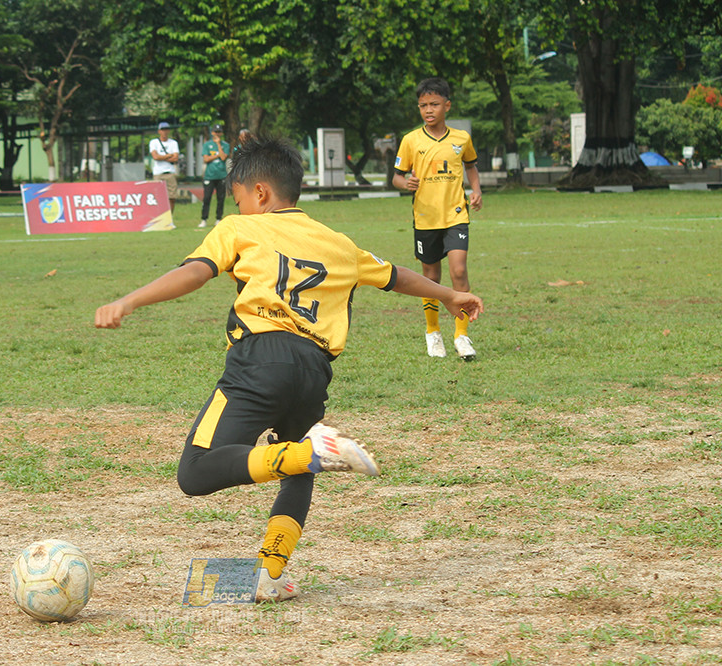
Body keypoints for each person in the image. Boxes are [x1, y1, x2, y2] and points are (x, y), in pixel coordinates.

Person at [95, 136, 483, 603]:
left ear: (258, 194)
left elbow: (197, 271)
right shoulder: (338, 242)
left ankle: (310, 452)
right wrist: (450, 295)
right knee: (298, 471)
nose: (236, 206)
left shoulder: (240, 226)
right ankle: (269, 574)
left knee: (196, 473)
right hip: (314, 371)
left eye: (237, 197)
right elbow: (396, 274)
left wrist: (129, 300)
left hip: (260, 361)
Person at [392, 77, 483, 361]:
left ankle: (462, 335)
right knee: (431, 277)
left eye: (434, 104)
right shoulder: (411, 140)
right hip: (425, 219)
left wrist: (476, 190)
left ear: (447, 105)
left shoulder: (461, 139)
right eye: (423, 106)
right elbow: (396, 176)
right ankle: (433, 333)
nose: (428, 110)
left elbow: (472, 167)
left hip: (455, 214)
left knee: (458, 271)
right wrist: (404, 183)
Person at [199, 123, 229, 228]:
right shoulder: (207, 145)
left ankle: (218, 218)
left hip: (221, 175)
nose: (217, 134)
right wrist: (217, 155)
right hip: (209, 175)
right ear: (212, 133)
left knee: (221, 198)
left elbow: (223, 158)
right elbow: (206, 159)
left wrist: (219, 145)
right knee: (207, 198)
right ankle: (204, 219)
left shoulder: (225, 145)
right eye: (215, 132)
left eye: (219, 132)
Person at [149, 121, 181, 218]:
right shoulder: (154, 142)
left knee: (172, 197)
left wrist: (162, 156)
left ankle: (169, 218)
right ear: (159, 131)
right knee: (158, 197)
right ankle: (159, 218)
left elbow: (176, 158)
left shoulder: (173, 143)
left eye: (166, 129)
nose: (165, 132)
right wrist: (168, 155)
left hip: (170, 172)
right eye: (163, 130)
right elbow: (155, 157)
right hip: (158, 172)